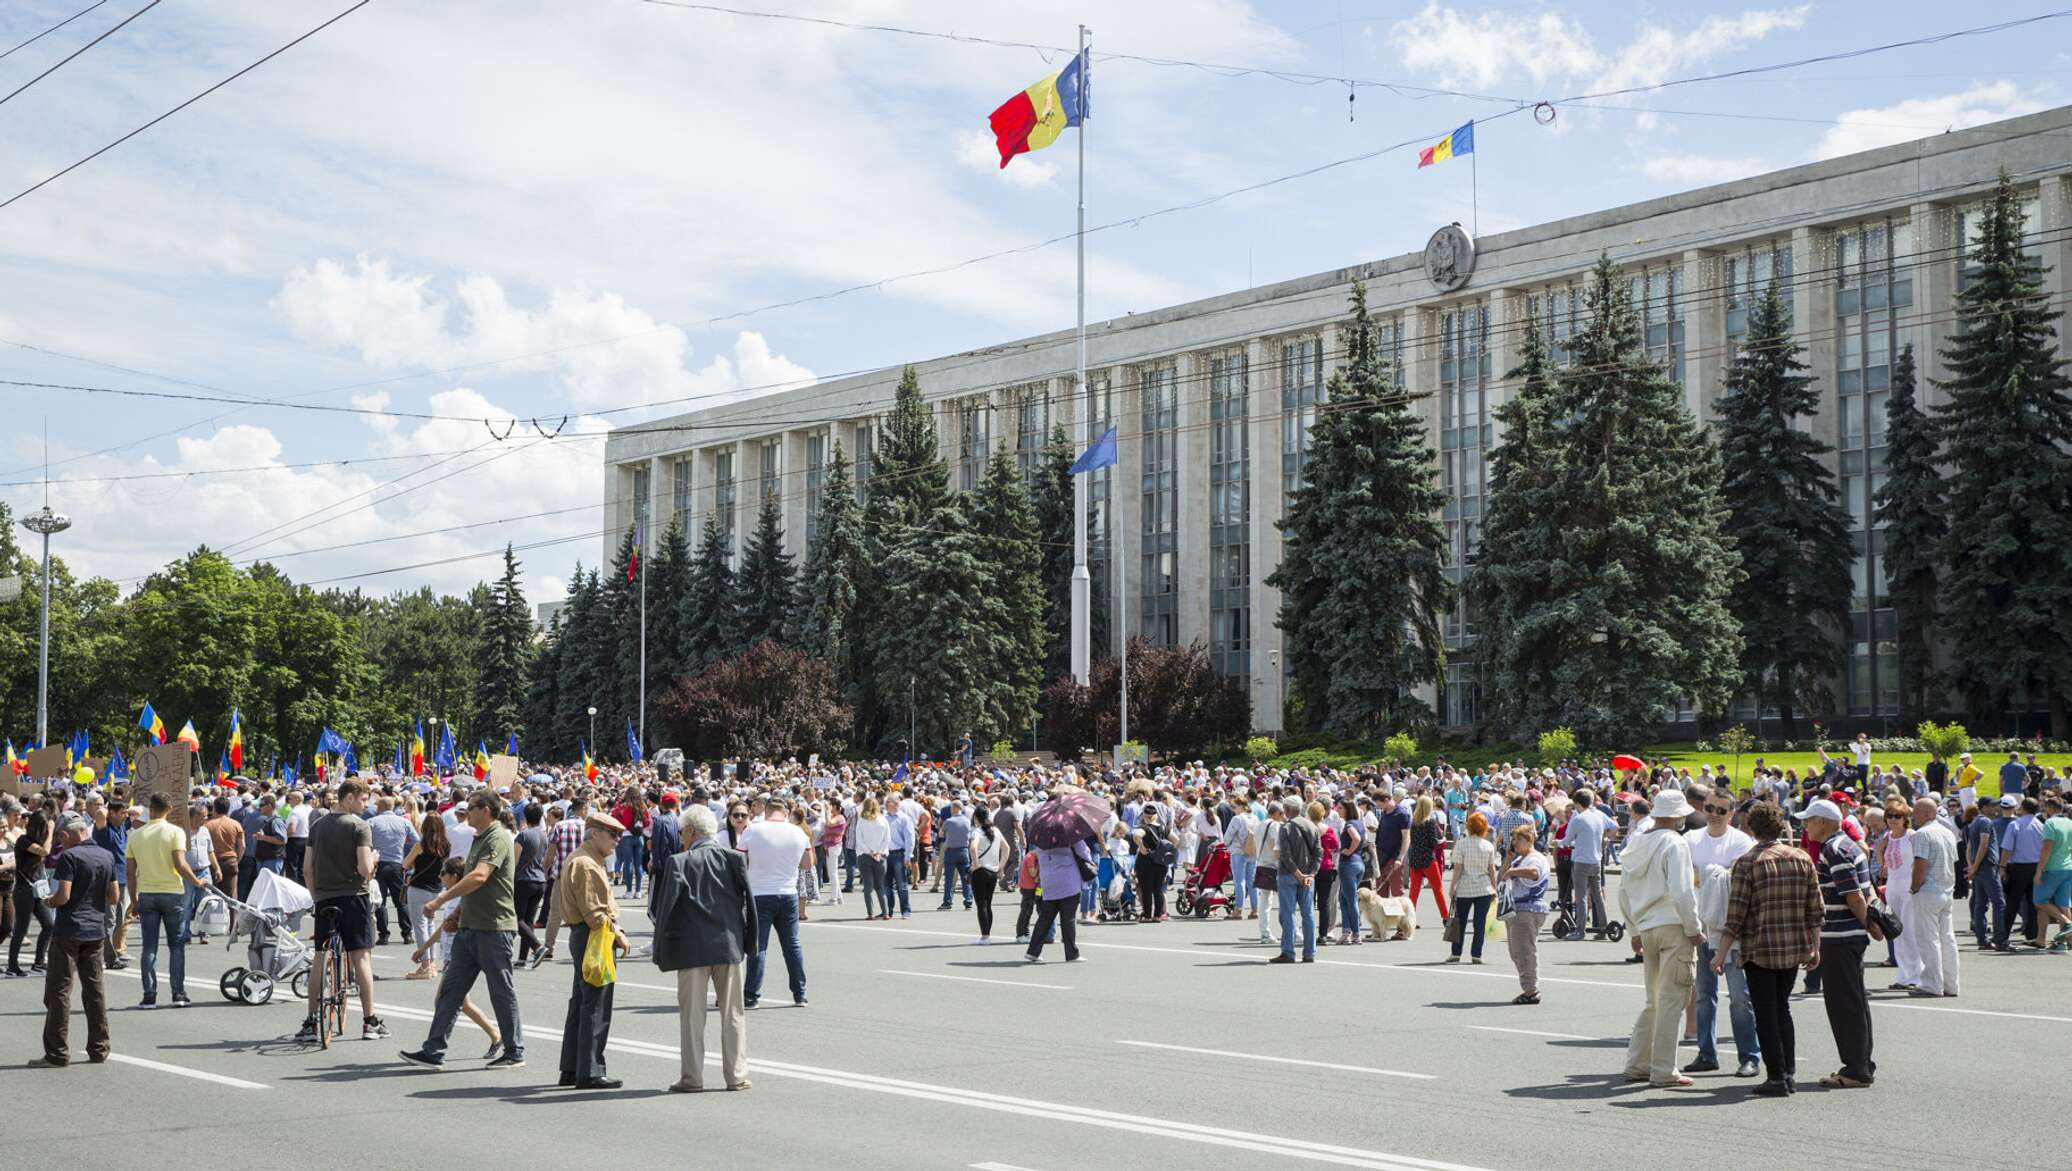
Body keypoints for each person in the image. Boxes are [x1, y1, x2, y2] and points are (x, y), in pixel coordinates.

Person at [400, 791, 526, 1071]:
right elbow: (475, 885)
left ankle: (514, 1050)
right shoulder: (480, 838)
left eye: (471, 808)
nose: (465, 813)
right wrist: (456, 914)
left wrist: (441, 900)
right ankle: (433, 1050)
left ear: (486, 810)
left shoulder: (497, 836)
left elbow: (480, 877)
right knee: (450, 991)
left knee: (501, 991)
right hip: (470, 927)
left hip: (494, 927)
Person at [1715, 800, 1822, 1097]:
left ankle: (1776, 1075)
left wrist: (1721, 953)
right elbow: (1815, 909)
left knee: (1765, 1012)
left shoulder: (1747, 862)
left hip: (1760, 948)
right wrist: (1815, 947)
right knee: (1782, 1008)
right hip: (1792, 946)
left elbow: (1735, 914)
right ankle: (1788, 1072)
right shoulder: (1801, 858)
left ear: (1751, 827)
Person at [654, 805, 756, 1092]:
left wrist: (661, 947)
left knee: (692, 1016)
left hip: (692, 948)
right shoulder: (734, 859)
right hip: (729, 945)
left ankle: (692, 1077)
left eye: (681, 832)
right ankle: (736, 1075)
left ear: (690, 831)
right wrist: (748, 940)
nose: (680, 838)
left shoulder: (680, 861)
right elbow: (748, 902)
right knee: (733, 1014)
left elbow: (666, 910)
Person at [1619, 790, 1703, 1088]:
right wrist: (1693, 928)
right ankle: (1664, 1069)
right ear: (1678, 816)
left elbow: (1623, 892)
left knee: (1653, 1000)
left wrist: (1633, 930)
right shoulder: (1675, 842)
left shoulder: (1638, 843)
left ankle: (1638, 1063)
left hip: (1647, 926)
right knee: (1672, 1000)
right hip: (1672, 925)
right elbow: (1682, 891)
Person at [1800, 798, 1882, 1089]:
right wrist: (1869, 926)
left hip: (1841, 937)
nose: (1805, 826)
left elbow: (1853, 896)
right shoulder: (1849, 845)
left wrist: (1867, 925)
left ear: (1823, 821)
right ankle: (1860, 1064)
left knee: (1844, 1004)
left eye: (1809, 820)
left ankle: (1856, 1069)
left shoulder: (1833, 849)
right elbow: (1865, 890)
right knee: (1854, 1001)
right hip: (1849, 937)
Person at [296, 780, 386, 1042]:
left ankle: (312, 1022)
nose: (365, 805)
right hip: (354, 896)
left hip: (324, 899)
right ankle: (370, 1022)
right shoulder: (359, 826)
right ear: (348, 798)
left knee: (320, 955)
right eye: (363, 799)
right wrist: (373, 864)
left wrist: (316, 896)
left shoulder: (317, 826)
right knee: (361, 958)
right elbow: (364, 869)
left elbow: (306, 868)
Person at [29, 813, 118, 1068]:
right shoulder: (107, 855)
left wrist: (48, 900)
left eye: (60, 837)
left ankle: (56, 1053)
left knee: (59, 990)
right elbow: (114, 896)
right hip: (95, 931)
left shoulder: (70, 856)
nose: (61, 842)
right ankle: (99, 1048)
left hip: (69, 931)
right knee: (95, 990)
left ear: (68, 834)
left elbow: (63, 896)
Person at [1685, 787, 1758, 1077]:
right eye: (1710, 808)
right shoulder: (1691, 838)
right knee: (1703, 993)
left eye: (1721, 810)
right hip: (1700, 926)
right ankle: (1706, 1053)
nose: (1714, 815)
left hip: (1733, 928)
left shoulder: (1741, 841)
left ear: (1732, 814)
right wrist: (1716, 873)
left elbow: (1737, 879)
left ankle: (1749, 1056)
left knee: (1740, 996)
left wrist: (1704, 875)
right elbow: (1686, 876)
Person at [556, 811, 626, 1089]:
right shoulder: (586, 863)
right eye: (612, 835)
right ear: (594, 833)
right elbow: (595, 912)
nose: (617, 841)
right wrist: (617, 933)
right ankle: (590, 1071)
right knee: (595, 1004)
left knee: (581, 1003)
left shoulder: (585, 858)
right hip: (594, 935)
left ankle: (573, 1068)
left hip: (585, 934)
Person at [411, 858, 504, 1061]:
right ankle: (496, 1035)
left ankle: (435, 1048)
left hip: (460, 957)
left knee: (445, 1001)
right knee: (461, 1003)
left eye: (443, 872)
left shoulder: (463, 898)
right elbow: (444, 926)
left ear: (454, 876)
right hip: (449, 956)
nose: (439, 876)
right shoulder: (450, 897)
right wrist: (424, 948)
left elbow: (456, 924)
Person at [124, 792, 198, 1009]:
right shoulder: (175, 832)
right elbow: (180, 864)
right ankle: (178, 993)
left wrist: (135, 899)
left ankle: (149, 995)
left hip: (147, 893)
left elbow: (130, 872)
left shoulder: (136, 835)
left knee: (149, 947)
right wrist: (197, 881)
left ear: (151, 809)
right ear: (170, 809)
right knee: (176, 946)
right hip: (173, 892)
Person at [741, 799, 810, 1009]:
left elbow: (740, 860)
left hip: (760, 893)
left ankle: (752, 996)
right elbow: (807, 865)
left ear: (766, 811)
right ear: (786, 812)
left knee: (758, 947)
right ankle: (800, 994)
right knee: (792, 945)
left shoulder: (753, 830)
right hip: (788, 892)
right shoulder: (799, 833)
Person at [1905, 796, 1961, 996]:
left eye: (1916, 813)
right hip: (1946, 890)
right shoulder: (1948, 832)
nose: (1913, 817)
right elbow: (1953, 861)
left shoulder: (1922, 834)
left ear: (1927, 814)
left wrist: (1913, 887)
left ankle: (1932, 984)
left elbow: (1921, 865)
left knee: (1928, 939)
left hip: (1928, 891)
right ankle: (1951, 984)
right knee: (1947, 939)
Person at [1500, 823, 1551, 1004]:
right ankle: (1529, 987)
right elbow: (1502, 876)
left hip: (1528, 909)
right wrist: (1509, 859)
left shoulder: (1535, 858)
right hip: (1517, 909)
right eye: (1513, 839)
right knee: (1516, 951)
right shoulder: (1519, 858)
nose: (1514, 842)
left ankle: (1531, 990)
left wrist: (1513, 871)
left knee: (1524, 951)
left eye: (1518, 839)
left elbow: (1533, 873)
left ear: (1529, 840)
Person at [1024, 835, 1093, 964]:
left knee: (1045, 917)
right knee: (1068, 918)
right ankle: (1072, 954)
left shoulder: (1041, 838)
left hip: (1049, 880)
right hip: (1068, 880)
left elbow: (1039, 855)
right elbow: (1084, 853)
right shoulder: (1071, 836)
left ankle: (1032, 952)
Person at [1446, 811, 1500, 964]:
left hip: (1465, 887)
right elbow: (1491, 870)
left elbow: (1458, 868)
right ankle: (1476, 954)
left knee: (1460, 922)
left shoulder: (1461, 844)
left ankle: (1456, 953)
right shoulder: (1488, 846)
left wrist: (1452, 887)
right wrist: (1494, 888)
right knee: (1480, 923)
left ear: (1469, 827)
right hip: (1483, 888)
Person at [8, 799, 54, 976]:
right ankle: (13, 965)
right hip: (23, 890)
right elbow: (45, 851)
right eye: (43, 828)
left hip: (37, 888)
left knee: (49, 924)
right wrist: (50, 831)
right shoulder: (23, 841)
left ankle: (39, 962)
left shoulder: (33, 840)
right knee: (21, 928)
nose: (45, 831)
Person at [1271, 796, 1319, 964]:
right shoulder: (1312, 826)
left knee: (1288, 913)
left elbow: (1285, 855)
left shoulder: (1286, 827)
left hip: (1288, 874)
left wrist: (1297, 873)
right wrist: (1311, 874)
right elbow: (1318, 853)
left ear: (1288, 809)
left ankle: (1288, 951)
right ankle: (1309, 952)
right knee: (1308, 914)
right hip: (1307, 876)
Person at [1564, 789, 1617, 939]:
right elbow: (1615, 827)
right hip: (1596, 860)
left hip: (1581, 861)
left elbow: (1567, 841)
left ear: (1577, 803)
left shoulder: (1578, 819)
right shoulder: (1599, 815)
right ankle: (1603, 928)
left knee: (1580, 896)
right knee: (1598, 895)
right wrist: (1603, 837)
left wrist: (1557, 842)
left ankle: (1580, 931)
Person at [1997, 795, 2045, 950]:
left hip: (2018, 867)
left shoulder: (2015, 824)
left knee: (2012, 902)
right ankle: (2032, 934)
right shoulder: (2041, 825)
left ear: (2023, 808)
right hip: (2036, 866)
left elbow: (2007, 849)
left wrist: (2002, 867)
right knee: (2032, 902)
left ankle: (2003, 934)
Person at [1405, 796, 1449, 927]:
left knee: (1414, 891)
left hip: (1415, 858)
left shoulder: (1413, 822)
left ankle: (1409, 918)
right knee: (1438, 889)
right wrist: (1443, 840)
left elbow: (1412, 840)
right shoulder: (1430, 822)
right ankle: (1445, 916)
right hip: (1428, 859)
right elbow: (1433, 842)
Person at [2037, 794, 2072, 951]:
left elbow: (2047, 848)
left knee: (2039, 900)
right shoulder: (2069, 823)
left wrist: (2039, 870)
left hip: (2052, 868)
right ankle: (2064, 942)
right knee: (2064, 904)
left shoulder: (2050, 823)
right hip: (2067, 867)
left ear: (2050, 808)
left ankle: (2067, 923)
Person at [971, 811, 1006, 943]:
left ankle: (985, 936)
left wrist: (975, 864)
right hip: (993, 871)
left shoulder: (977, 832)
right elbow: (1006, 848)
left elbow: (973, 847)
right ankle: (987, 934)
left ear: (976, 818)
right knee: (988, 904)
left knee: (981, 904)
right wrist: (1000, 866)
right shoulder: (996, 830)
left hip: (981, 870)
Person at [854, 796, 890, 921]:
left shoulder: (862, 820)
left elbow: (859, 839)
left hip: (865, 856)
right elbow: (887, 839)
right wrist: (878, 852)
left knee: (868, 886)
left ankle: (871, 913)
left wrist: (870, 852)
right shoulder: (883, 820)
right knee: (880, 886)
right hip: (880, 856)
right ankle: (885, 912)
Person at [937, 799, 973, 911]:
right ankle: (968, 900)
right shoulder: (967, 821)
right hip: (964, 850)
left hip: (951, 851)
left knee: (949, 878)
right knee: (965, 878)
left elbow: (941, 834)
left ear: (954, 808)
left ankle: (947, 902)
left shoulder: (948, 821)